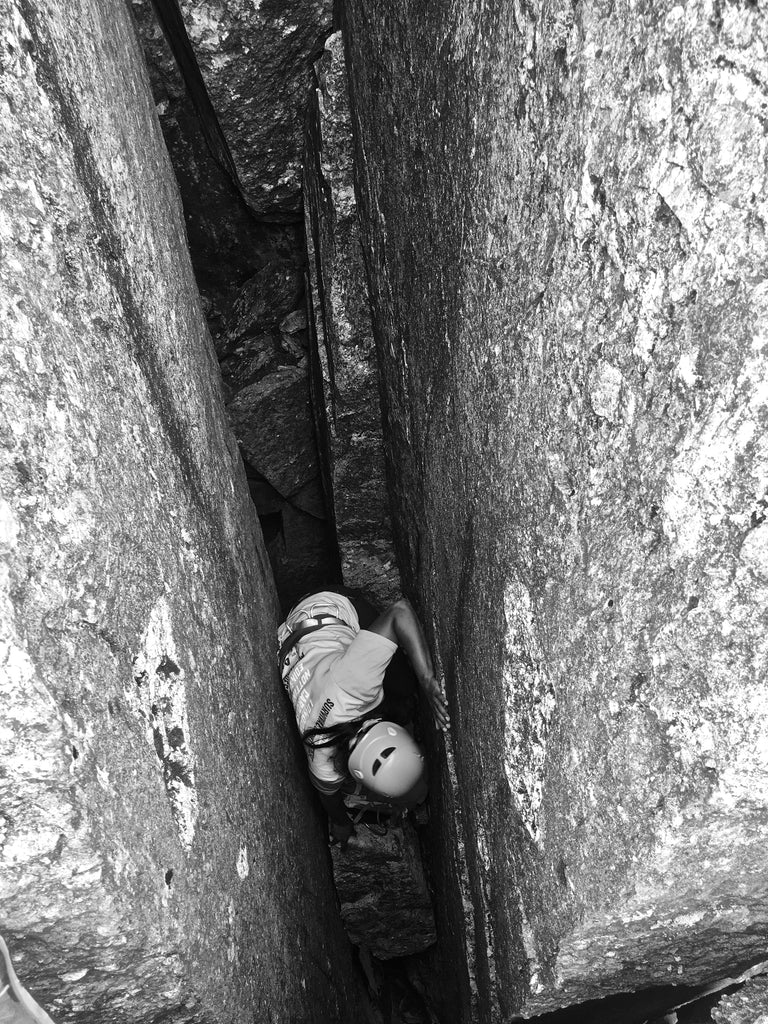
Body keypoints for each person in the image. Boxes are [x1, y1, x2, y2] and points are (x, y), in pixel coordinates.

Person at [277, 589, 450, 847]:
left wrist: (427, 680)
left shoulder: (355, 682)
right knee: (402, 697)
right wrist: (342, 824)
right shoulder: (321, 755)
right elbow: (329, 796)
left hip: (316, 615)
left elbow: (400, 612)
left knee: (402, 691)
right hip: (301, 633)